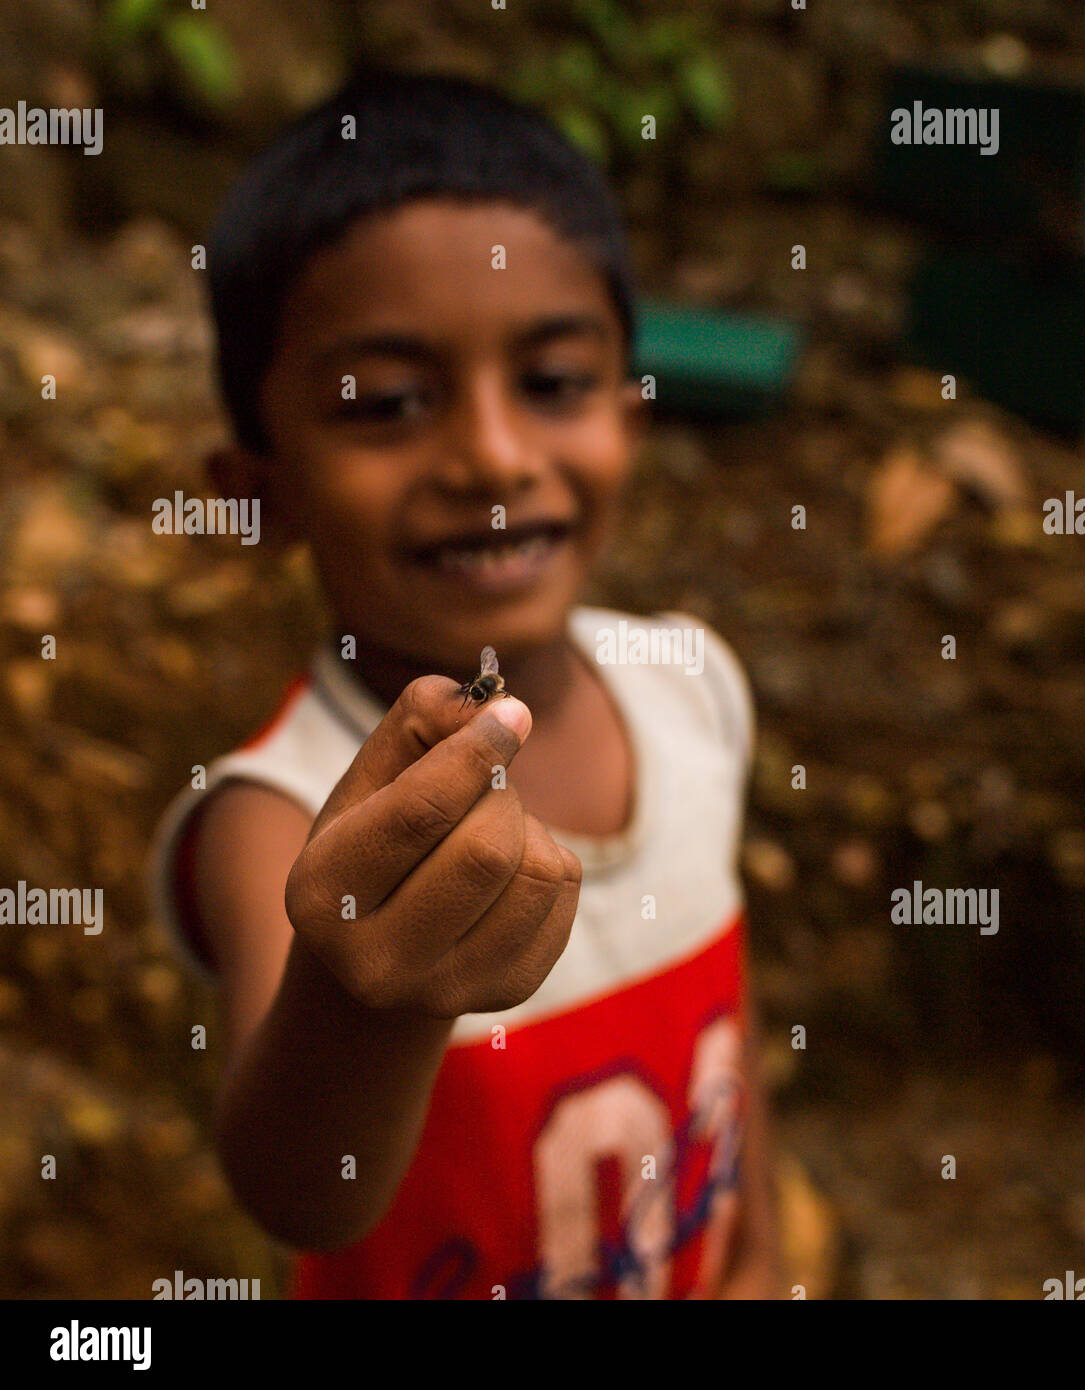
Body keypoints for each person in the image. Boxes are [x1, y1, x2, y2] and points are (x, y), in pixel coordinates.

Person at [150, 70, 783, 1299]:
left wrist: (757, 1251)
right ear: (258, 489)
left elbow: (733, 1044)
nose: (494, 455)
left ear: (631, 419)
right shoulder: (275, 819)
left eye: (552, 382)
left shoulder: (692, 686)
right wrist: (365, 995)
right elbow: (302, 1193)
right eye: (388, 404)